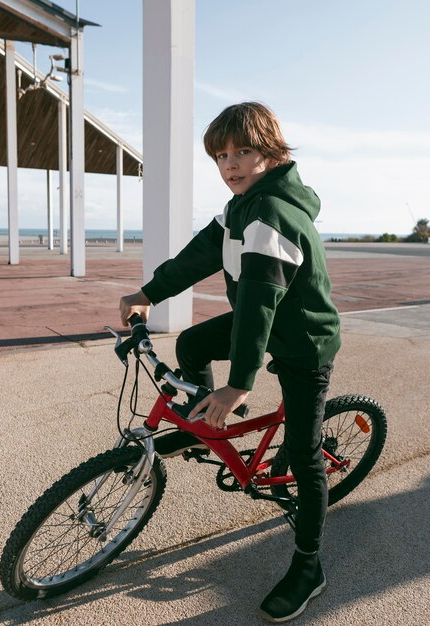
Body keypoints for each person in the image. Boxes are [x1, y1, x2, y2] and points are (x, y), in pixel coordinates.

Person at [119, 102, 341, 622]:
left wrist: (239, 384)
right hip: (262, 321)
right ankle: (210, 425)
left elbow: (260, 305)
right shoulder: (241, 205)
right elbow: (201, 253)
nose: (231, 164)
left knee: (304, 456)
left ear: (272, 151)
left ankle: (309, 567)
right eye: (221, 155)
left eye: (243, 151)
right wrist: (148, 292)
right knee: (192, 346)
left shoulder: (273, 214)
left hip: (303, 340)